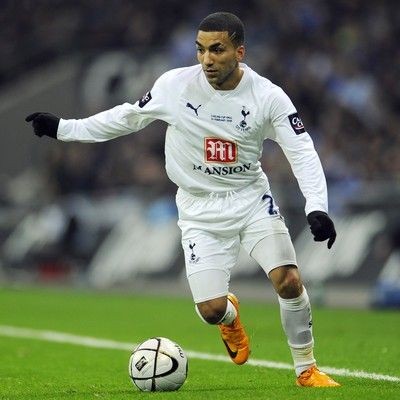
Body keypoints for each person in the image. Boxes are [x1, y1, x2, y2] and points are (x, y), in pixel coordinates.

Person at [26, 12, 340, 387]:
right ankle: (229, 316)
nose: (207, 59)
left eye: (217, 49)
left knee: (288, 279)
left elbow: (302, 151)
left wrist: (317, 207)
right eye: (200, 50)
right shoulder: (175, 85)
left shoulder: (267, 97)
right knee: (211, 310)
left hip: (251, 200)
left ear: (240, 52)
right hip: (198, 208)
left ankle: (307, 369)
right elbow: (127, 117)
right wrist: (64, 129)